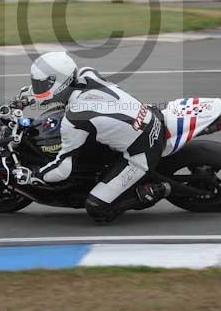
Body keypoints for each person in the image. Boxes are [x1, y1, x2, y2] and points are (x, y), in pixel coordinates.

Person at [12, 51, 170, 223]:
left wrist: (33, 175)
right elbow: (58, 92)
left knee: (97, 207)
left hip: (142, 150)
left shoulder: (74, 119)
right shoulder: (87, 73)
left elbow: (62, 169)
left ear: (57, 83)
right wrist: (27, 97)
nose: (37, 88)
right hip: (147, 117)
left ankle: (154, 191)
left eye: (40, 85)